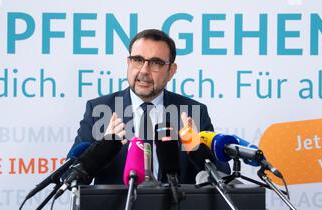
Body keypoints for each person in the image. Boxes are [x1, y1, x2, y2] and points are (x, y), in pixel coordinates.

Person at [72, 29, 230, 184]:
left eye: (156, 63)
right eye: (138, 60)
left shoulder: (192, 112)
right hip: (117, 209)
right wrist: (102, 149)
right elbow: (69, 176)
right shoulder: (99, 110)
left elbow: (223, 176)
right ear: (128, 62)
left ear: (171, 71)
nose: (144, 70)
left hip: (176, 208)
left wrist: (198, 150)